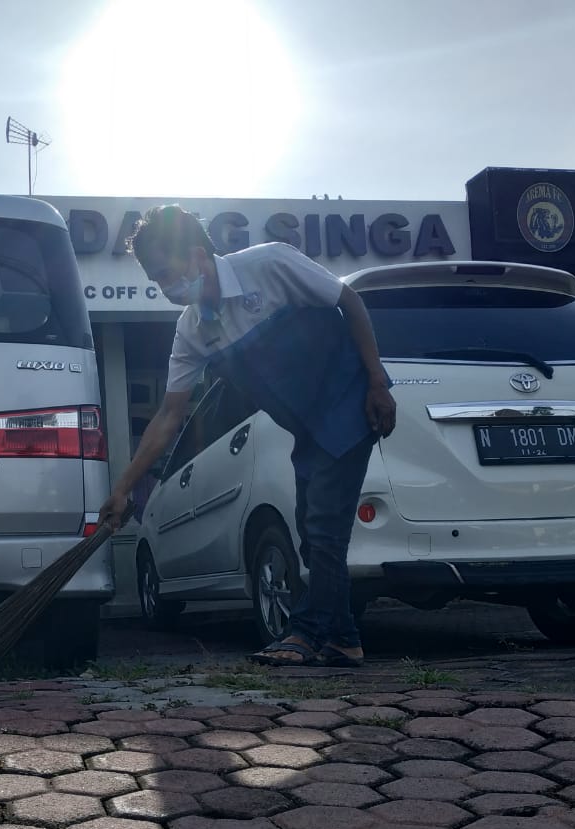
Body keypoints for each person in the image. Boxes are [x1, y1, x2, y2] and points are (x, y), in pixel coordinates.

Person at [98, 204, 397, 667]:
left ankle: (305, 632)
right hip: (307, 429)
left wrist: (377, 381)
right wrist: (123, 488)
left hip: (349, 403)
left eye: (166, 273)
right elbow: (168, 415)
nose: (165, 288)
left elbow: (348, 301)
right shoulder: (193, 331)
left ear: (198, 255)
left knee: (322, 527)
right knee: (309, 532)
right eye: (155, 281)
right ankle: (343, 639)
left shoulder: (269, 264)